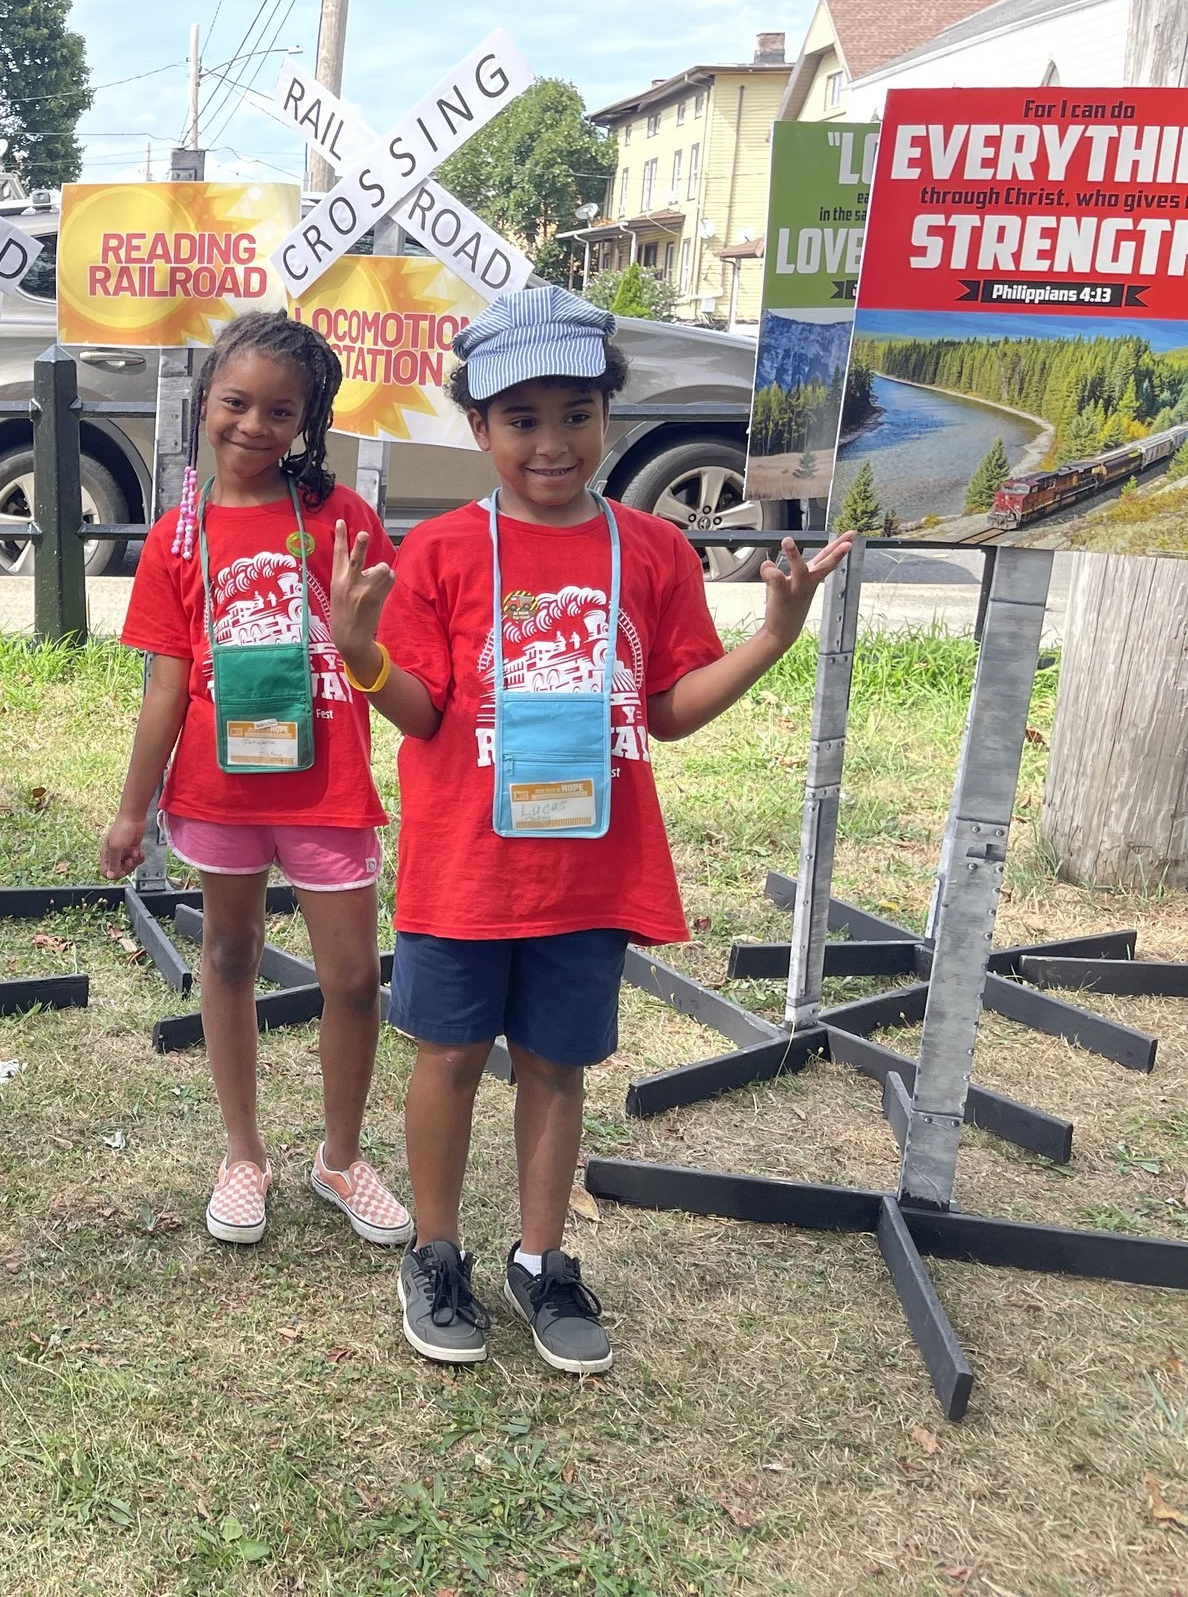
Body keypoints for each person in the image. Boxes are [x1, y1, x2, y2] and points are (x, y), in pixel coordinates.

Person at [351, 285, 848, 1376]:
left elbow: (666, 711)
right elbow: (425, 713)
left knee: (556, 1066)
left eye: (574, 412)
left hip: (588, 870)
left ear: (608, 416)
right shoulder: (437, 552)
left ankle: (541, 1258)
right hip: (465, 869)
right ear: (477, 427)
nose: (550, 442)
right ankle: (435, 1254)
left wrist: (769, 638)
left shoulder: (654, 551)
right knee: (447, 1056)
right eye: (519, 419)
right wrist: (359, 656)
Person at [100, 311, 413, 1253]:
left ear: (310, 421)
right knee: (229, 957)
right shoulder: (175, 538)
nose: (254, 426)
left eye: (283, 411)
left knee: (353, 978)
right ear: (206, 400)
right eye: (236, 402)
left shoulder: (341, 519)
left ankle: (342, 1156)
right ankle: (243, 1154)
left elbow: (386, 652)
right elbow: (164, 688)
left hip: (328, 789)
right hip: (216, 792)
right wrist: (131, 811)